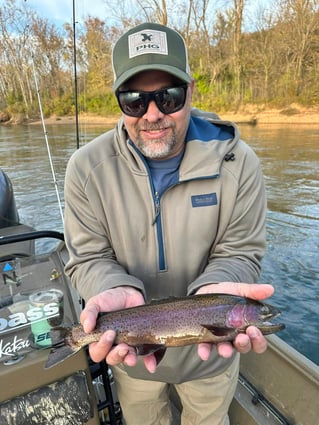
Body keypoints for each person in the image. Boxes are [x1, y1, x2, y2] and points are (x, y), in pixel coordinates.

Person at [64, 22, 272, 425]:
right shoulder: (85, 169)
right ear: (118, 100)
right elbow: (88, 257)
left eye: (168, 96)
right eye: (135, 101)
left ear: (191, 90)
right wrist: (112, 288)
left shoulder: (238, 161)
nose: (153, 114)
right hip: (131, 355)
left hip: (210, 361)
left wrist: (216, 297)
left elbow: (240, 251)